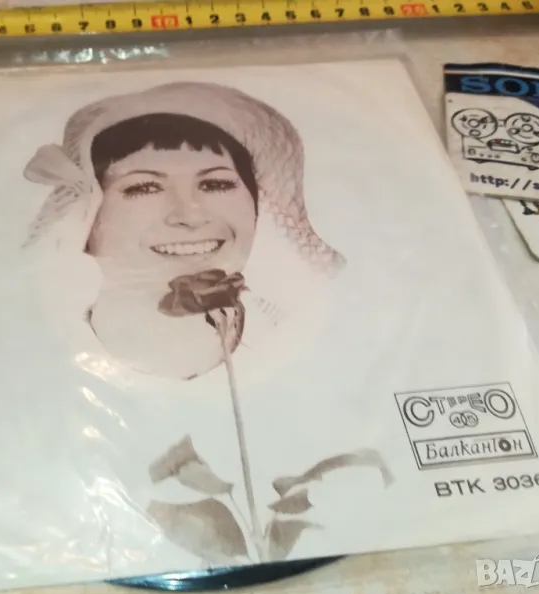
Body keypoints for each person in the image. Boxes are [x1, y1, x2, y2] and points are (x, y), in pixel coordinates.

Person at [23, 81, 345, 381]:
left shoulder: (290, 336)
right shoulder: (48, 348)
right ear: (85, 215)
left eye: (216, 184)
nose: (190, 216)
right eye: (144, 188)